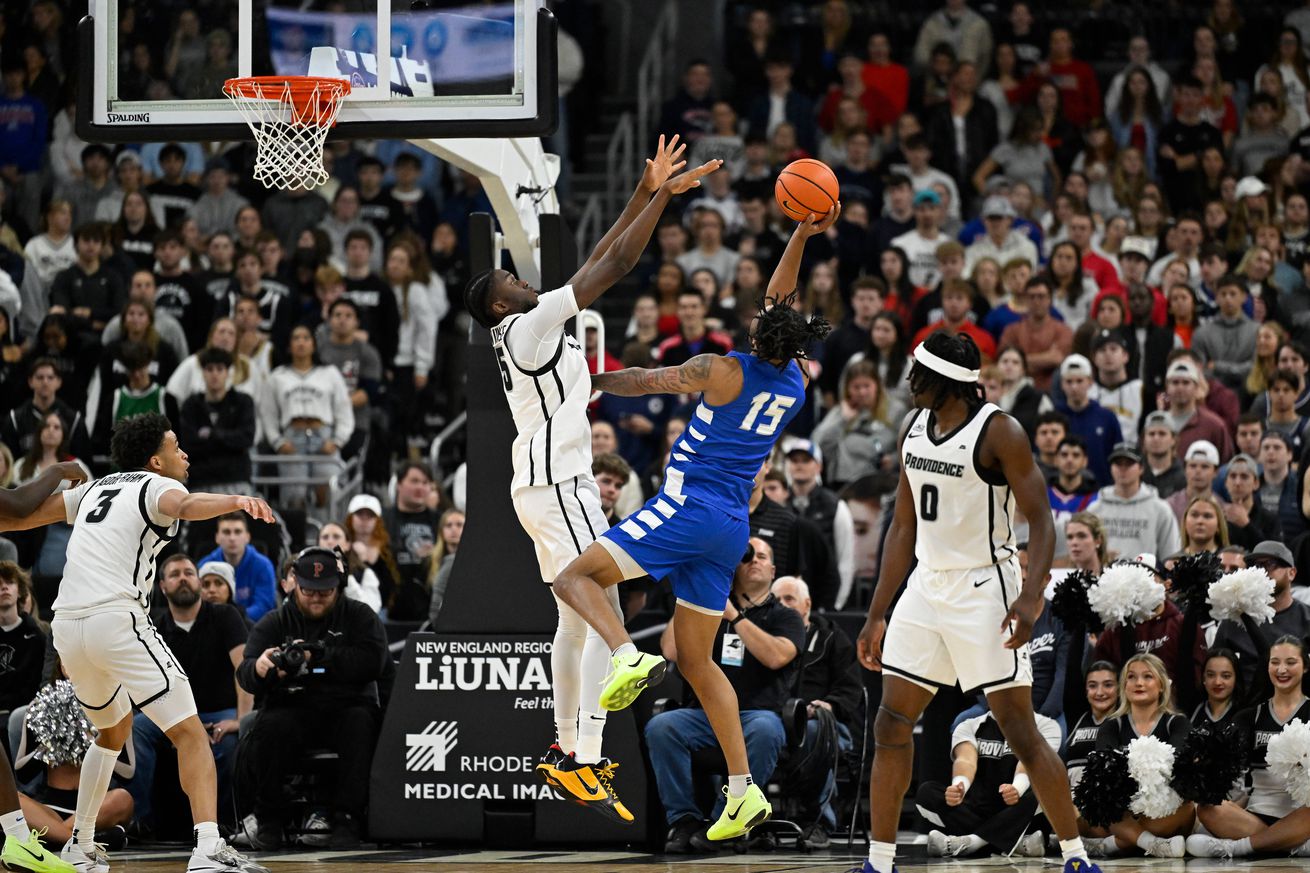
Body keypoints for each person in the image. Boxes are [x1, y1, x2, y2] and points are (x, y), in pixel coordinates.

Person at [551, 207, 837, 845]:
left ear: (764, 333)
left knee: (574, 579)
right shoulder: (794, 380)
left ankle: (624, 655)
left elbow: (644, 379)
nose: (760, 315)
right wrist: (801, 233)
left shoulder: (719, 368)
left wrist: (585, 384)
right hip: (732, 524)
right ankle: (742, 791)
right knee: (702, 664)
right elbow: (781, 301)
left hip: (691, 508)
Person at [463, 138, 719, 821]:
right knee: (597, 601)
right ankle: (625, 655)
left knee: (569, 618)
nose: (521, 281)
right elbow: (618, 261)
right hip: (558, 480)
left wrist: (647, 188)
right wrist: (661, 198)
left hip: (546, 483)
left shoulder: (534, 330)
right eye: (507, 283)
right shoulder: (524, 328)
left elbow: (602, 253)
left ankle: (575, 754)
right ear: (497, 307)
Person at [850, 330, 1097, 873]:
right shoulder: (913, 427)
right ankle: (880, 860)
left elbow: (1042, 520)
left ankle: (1077, 857)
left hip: (987, 587)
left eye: (919, 374)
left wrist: (1032, 599)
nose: (910, 382)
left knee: (1020, 731)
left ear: (949, 382)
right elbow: (902, 525)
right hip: (927, 585)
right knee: (891, 721)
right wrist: (877, 612)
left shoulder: (1000, 432)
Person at [0, 413, 272, 873]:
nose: (183, 453)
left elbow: (23, 517)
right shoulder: (156, 485)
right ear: (154, 459)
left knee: (112, 731)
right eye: (175, 445)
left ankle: (81, 845)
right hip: (115, 618)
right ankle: (209, 847)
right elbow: (185, 506)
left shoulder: (94, 490)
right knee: (188, 730)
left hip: (67, 625)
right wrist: (235, 499)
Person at [647, 538, 805, 853]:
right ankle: (685, 821)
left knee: (765, 729)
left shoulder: (785, 616)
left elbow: (777, 656)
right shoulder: (708, 607)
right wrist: (697, 593)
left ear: (773, 570)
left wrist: (735, 617)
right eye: (747, 557)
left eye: (762, 556)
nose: (754, 561)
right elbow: (670, 650)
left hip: (756, 715)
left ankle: (724, 819)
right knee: (662, 727)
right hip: (702, 716)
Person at [235, 547, 387, 850]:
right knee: (270, 726)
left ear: (338, 587)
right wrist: (262, 668)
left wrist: (321, 657)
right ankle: (269, 821)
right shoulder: (274, 622)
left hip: (346, 706)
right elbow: (246, 673)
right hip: (292, 706)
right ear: (294, 584)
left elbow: (375, 661)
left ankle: (347, 819)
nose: (316, 598)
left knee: (360, 722)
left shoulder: (359, 616)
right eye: (308, 591)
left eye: (325, 592)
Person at [125, 555, 249, 834]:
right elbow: (145, 687)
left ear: (198, 582)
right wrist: (185, 727)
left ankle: (224, 824)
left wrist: (241, 719)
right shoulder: (152, 628)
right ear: (162, 586)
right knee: (135, 730)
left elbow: (243, 670)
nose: (183, 578)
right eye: (175, 574)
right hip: (172, 714)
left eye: (189, 573)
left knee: (229, 746)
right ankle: (138, 820)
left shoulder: (225, 615)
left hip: (221, 712)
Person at [1188, 636, 1310, 858]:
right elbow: (1231, 770)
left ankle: (1238, 848)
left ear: (1305, 666)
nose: (1282, 669)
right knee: (1207, 809)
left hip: (1302, 813)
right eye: (1275, 662)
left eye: (1291, 662)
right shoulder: (1249, 716)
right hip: (1257, 814)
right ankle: (1294, 846)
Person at [770, 575, 862, 847]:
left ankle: (819, 821)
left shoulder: (832, 637)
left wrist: (829, 705)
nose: (783, 605)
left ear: (807, 604)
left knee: (815, 731)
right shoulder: (762, 637)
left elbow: (851, 688)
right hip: (775, 723)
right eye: (776, 600)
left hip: (824, 726)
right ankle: (750, 822)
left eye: (790, 599)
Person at [916, 708, 1062, 858]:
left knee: (1050, 791)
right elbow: (966, 760)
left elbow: (1030, 761)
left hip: (1020, 810)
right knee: (927, 792)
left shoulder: (1046, 725)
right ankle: (1014, 843)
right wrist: (960, 787)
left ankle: (971, 842)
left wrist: (1017, 788)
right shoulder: (968, 725)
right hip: (981, 808)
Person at [1088, 654, 1193, 858]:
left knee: (1186, 808)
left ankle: (1112, 844)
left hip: (1161, 813)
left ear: (1162, 685)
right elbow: (1104, 768)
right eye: (1131, 677)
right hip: (1122, 811)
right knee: (1091, 802)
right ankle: (1150, 843)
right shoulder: (1112, 725)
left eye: (1147, 677)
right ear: (1124, 686)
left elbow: (1176, 764)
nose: (1139, 683)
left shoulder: (1178, 723)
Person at [199, 514, 276, 623]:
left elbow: (263, 606)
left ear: (247, 537)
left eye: (238, 532)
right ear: (217, 537)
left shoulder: (264, 566)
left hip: (251, 627)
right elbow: (197, 604)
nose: (232, 538)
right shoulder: (204, 565)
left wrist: (232, 619)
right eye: (226, 532)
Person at [1192, 648, 1242, 729]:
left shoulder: (1246, 715)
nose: (1217, 682)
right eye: (1211, 675)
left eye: (1226, 676)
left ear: (1236, 679)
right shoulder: (1193, 709)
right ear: (1203, 678)